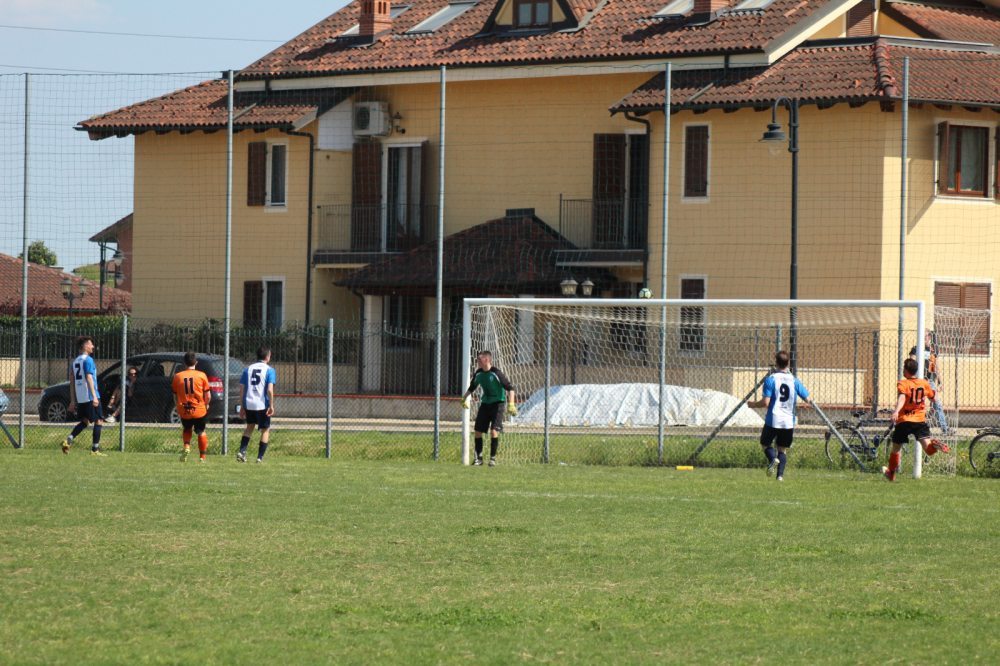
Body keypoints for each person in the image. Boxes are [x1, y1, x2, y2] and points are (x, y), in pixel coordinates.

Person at [884, 358, 950, 482]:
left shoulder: (903, 383)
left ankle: (891, 473)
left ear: (906, 371)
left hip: (904, 421)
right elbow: (934, 398)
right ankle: (935, 445)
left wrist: (896, 411)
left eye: (904, 368)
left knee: (896, 449)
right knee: (929, 450)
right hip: (919, 421)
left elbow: (902, 398)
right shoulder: (924, 383)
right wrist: (937, 392)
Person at [748, 351, 810, 482]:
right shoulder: (794, 381)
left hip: (773, 420)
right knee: (782, 449)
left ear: (775, 363)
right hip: (788, 421)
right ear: (788, 364)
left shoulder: (771, 379)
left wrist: (752, 404)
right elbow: (808, 399)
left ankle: (772, 459)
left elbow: (766, 402)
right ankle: (780, 476)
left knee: (765, 444)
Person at [461, 350, 517, 467]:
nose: (477, 362)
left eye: (479, 360)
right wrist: (464, 398)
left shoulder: (496, 373)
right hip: (485, 404)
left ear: (486, 360)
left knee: (494, 431)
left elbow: (511, 388)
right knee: (477, 431)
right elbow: (472, 387)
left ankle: (492, 459)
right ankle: (478, 459)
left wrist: (511, 404)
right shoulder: (478, 373)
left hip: (498, 404)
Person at [63, 336, 106, 456]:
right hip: (90, 396)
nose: (93, 346)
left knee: (85, 421)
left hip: (81, 397)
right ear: (85, 346)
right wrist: (94, 396)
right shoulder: (88, 360)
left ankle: (68, 440)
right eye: (91, 344)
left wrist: (73, 400)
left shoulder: (75, 361)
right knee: (99, 420)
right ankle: (95, 450)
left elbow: (72, 381)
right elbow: (89, 377)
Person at [238, 346, 276, 463]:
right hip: (262, 404)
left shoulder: (247, 369)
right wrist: (271, 405)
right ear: (268, 356)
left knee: (250, 427)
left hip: (249, 403)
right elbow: (269, 390)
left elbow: (242, 389)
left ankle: (242, 451)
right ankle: (259, 457)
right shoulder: (269, 370)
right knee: (265, 429)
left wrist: (242, 406)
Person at [171, 352, 212, 463]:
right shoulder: (201, 375)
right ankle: (202, 457)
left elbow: (175, 394)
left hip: (184, 409)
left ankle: (186, 447)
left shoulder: (177, 376)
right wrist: (206, 404)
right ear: (196, 362)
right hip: (199, 409)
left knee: (187, 429)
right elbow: (207, 395)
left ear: (184, 363)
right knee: (201, 431)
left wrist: (177, 405)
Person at [908, 331, 950, 434]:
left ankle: (945, 428)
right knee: (916, 404)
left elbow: (935, 366)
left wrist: (940, 381)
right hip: (918, 380)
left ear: (929, 337)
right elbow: (911, 363)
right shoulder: (915, 349)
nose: (923, 338)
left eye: (925, 336)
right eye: (921, 336)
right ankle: (911, 427)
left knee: (937, 404)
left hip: (929, 381)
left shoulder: (932, 350)